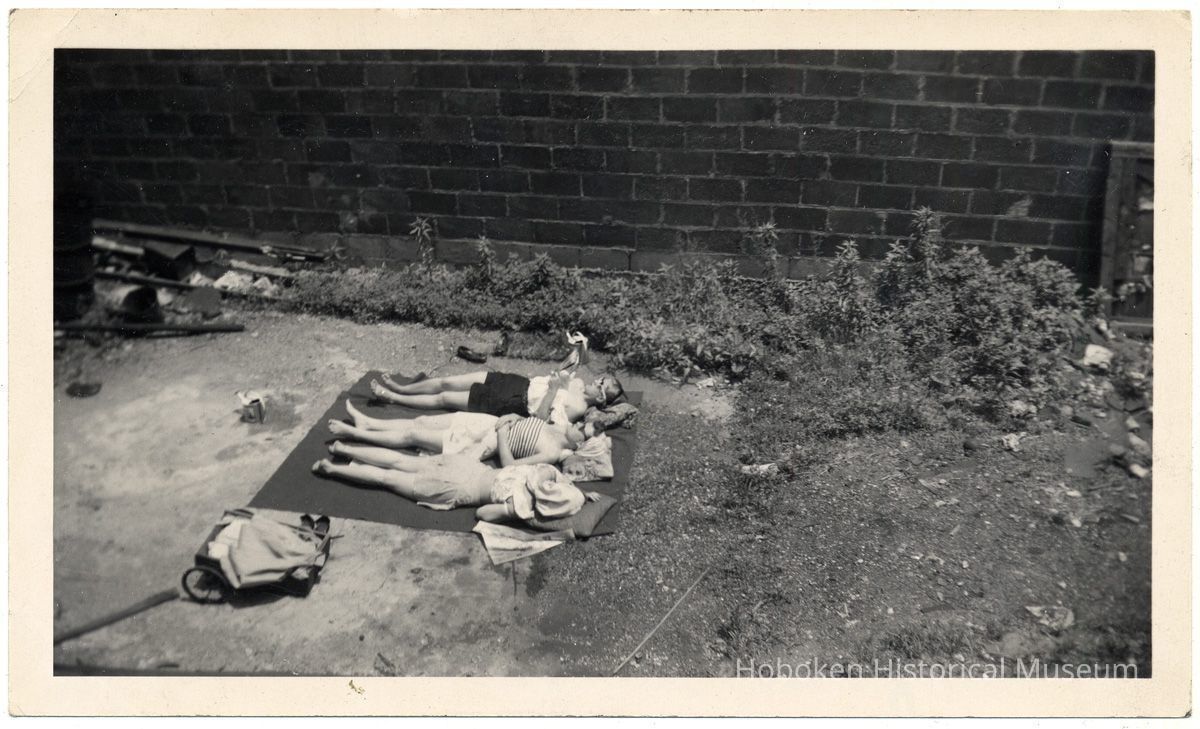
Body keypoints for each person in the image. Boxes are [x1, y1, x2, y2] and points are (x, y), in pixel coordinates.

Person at [311, 451, 599, 524]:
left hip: (468, 467)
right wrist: (518, 514)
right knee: (386, 479)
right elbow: (483, 514)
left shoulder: (539, 472)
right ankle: (332, 468)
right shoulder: (519, 503)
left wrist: (583, 494)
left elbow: (562, 482)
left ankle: (342, 447)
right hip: (459, 488)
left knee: (401, 461)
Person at [327, 400, 589, 466]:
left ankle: (357, 434)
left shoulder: (553, 453)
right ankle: (368, 423)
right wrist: (512, 417)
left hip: (484, 441)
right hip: (489, 422)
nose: (576, 425)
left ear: (578, 447)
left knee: (413, 436)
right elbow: (529, 420)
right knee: (422, 420)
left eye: (581, 431)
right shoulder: (558, 425)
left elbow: (509, 465)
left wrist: (502, 433)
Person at [369, 369, 624, 426]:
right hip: (516, 381)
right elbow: (558, 374)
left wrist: (555, 388)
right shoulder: (579, 383)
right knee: (448, 381)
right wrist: (560, 376)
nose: (595, 381)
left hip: (514, 402)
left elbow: (541, 418)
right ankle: (402, 388)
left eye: (601, 385)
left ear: (600, 400)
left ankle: (392, 397)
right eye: (600, 377)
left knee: (445, 398)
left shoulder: (578, 408)